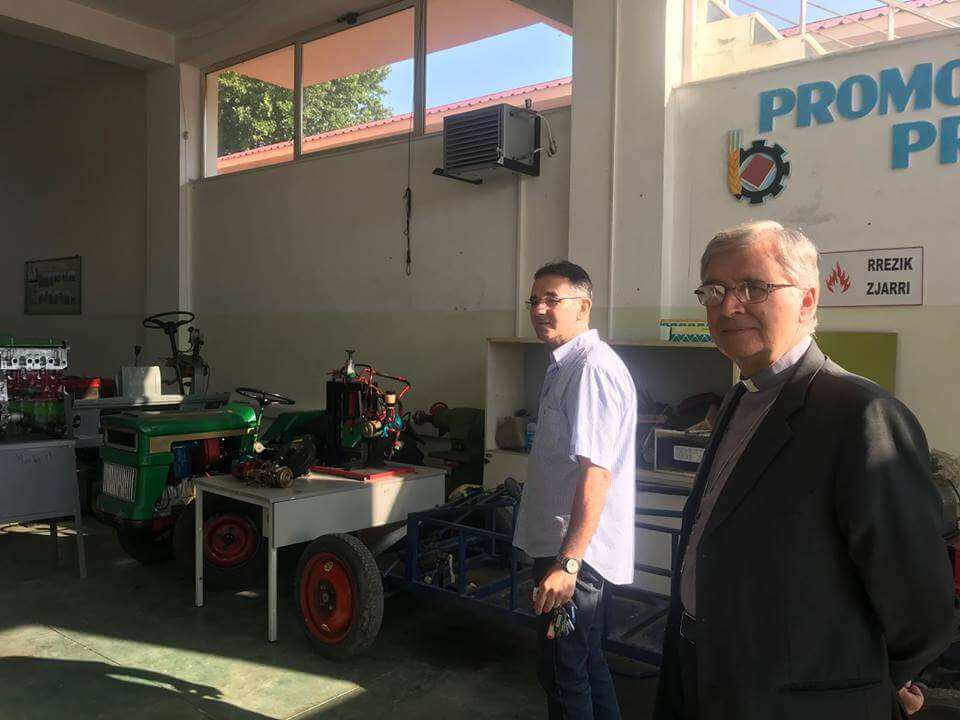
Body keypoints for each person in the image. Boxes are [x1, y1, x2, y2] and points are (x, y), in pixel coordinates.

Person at [654, 221, 955, 720]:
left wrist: (865, 681)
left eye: (754, 287)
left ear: (808, 300)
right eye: (714, 290)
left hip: (793, 699)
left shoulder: (861, 415)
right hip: (704, 671)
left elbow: (920, 603)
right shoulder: (740, 399)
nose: (728, 306)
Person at [513, 260, 637, 720]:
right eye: (534, 300)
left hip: (574, 559)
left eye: (553, 299)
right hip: (568, 551)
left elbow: (596, 473)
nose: (539, 309)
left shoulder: (590, 369)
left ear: (583, 306)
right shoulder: (565, 365)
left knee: (562, 673)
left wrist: (567, 563)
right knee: (585, 664)